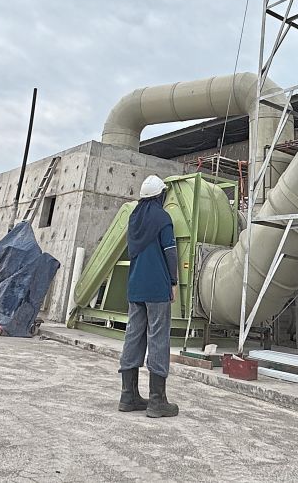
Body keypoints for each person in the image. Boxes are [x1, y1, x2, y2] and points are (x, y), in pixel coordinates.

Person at [117, 175, 179, 418]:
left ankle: (128, 396)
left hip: (136, 287)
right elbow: (170, 252)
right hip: (156, 287)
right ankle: (157, 401)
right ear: (159, 195)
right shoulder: (162, 218)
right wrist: (173, 282)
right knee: (158, 338)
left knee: (133, 336)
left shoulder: (134, 218)